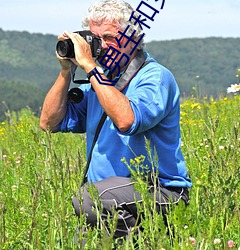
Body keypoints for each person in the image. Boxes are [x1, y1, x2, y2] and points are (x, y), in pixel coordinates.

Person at [40, 0, 192, 244]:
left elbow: (127, 120)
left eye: (109, 37)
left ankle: (146, 241)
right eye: (94, 37)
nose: (100, 46)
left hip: (160, 192)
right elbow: (49, 123)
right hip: (110, 199)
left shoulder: (154, 77)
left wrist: (90, 66)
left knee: (88, 200)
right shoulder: (100, 81)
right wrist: (66, 70)